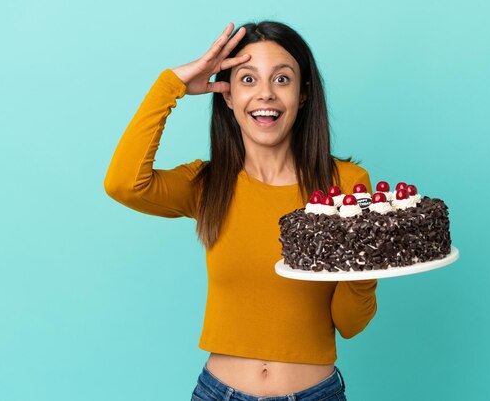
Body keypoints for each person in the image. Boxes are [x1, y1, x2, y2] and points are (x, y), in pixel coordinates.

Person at [104, 21, 378, 400]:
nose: (265, 94)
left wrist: (367, 264)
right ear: (227, 95)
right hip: (220, 393)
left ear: (303, 95)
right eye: (248, 80)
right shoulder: (207, 184)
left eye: (282, 80)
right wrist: (172, 86)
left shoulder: (346, 185)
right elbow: (123, 184)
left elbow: (350, 323)